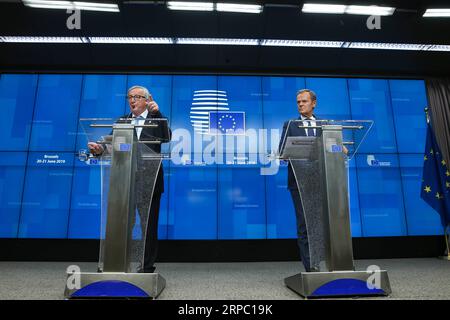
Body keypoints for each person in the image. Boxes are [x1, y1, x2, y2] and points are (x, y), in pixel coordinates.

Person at [88, 85, 171, 273]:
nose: (132, 100)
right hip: (124, 182)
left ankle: (146, 267)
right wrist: (100, 149)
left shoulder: (156, 119)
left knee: (147, 227)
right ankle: (116, 264)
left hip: (149, 183)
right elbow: (111, 143)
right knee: (122, 222)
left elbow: (167, 137)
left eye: (137, 97)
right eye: (130, 97)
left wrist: (158, 114)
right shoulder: (122, 120)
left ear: (147, 99)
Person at [279, 89, 320, 272]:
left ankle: (325, 263)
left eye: (304, 101)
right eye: (298, 102)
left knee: (321, 224)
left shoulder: (325, 125)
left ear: (314, 103)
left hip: (323, 181)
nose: (301, 104)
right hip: (299, 182)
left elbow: (336, 148)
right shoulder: (290, 125)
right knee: (305, 224)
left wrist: (341, 149)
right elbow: (282, 153)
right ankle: (311, 268)